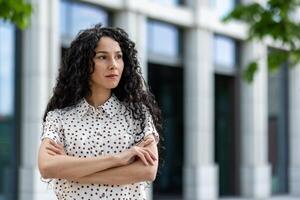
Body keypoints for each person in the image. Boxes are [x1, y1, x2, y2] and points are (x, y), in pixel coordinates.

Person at [38, 24, 162, 200]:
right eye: (102, 57)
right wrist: (118, 159)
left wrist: (73, 171)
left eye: (118, 57)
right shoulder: (58, 118)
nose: (113, 65)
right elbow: (47, 167)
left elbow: (148, 170)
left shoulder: (138, 115)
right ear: (83, 63)